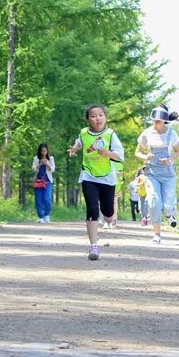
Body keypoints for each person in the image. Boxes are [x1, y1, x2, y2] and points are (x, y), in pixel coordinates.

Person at [66, 104, 124, 260]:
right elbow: (80, 142)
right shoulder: (84, 133)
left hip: (107, 178)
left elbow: (120, 156)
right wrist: (74, 148)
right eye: (93, 116)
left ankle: (109, 216)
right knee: (92, 209)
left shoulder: (110, 134)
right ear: (88, 120)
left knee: (108, 213)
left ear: (105, 117)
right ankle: (94, 246)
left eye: (100, 115)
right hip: (88, 176)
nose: (97, 118)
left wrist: (107, 153)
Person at [135, 105, 179, 244]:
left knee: (167, 205)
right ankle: (157, 234)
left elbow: (178, 152)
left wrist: (169, 159)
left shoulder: (172, 134)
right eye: (154, 120)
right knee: (154, 202)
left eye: (159, 121)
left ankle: (169, 214)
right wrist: (146, 157)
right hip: (152, 174)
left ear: (164, 120)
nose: (156, 123)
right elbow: (137, 152)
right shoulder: (146, 133)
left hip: (168, 174)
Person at [31, 143, 55, 223]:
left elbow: (52, 170)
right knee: (39, 200)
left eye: (45, 151)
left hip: (48, 182)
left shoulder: (51, 158)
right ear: (40, 151)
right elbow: (33, 169)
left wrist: (47, 163)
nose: (43, 153)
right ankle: (41, 216)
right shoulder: (36, 158)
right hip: (38, 182)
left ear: (47, 151)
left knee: (47, 199)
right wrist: (40, 164)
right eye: (42, 151)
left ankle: (46, 215)